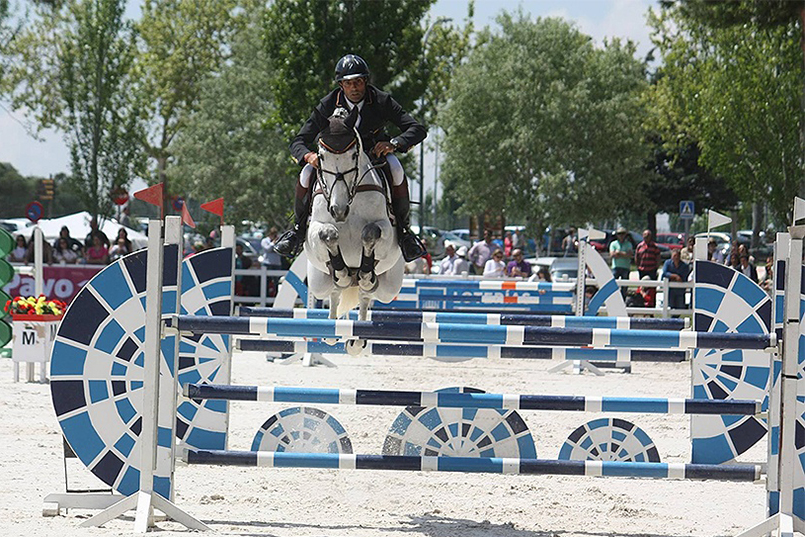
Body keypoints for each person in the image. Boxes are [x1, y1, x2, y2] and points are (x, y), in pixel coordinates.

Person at [275, 54, 427, 262]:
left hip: (374, 159)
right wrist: (308, 155)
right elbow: (299, 140)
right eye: (348, 84)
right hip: (336, 162)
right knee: (305, 173)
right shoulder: (328, 104)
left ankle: (404, 232)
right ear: (341, 85)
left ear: (365, 82)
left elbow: (416, 128)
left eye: (358, 82)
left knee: (397, 169)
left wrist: (394, 143)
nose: (354, 88)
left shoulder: (381, 100)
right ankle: (297, 230)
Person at [609, 227, 633, 298]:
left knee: (624, 286)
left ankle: (623, 299)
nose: (621, 235)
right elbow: (612, 255)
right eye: (619, 234)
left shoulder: (628, 244)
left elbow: (630, 255)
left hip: (625, 267)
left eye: (623, 234)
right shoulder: (613, 244)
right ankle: (612, 298)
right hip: (615, 267)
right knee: (612, 285)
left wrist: (619, 253)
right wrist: (624, 254)